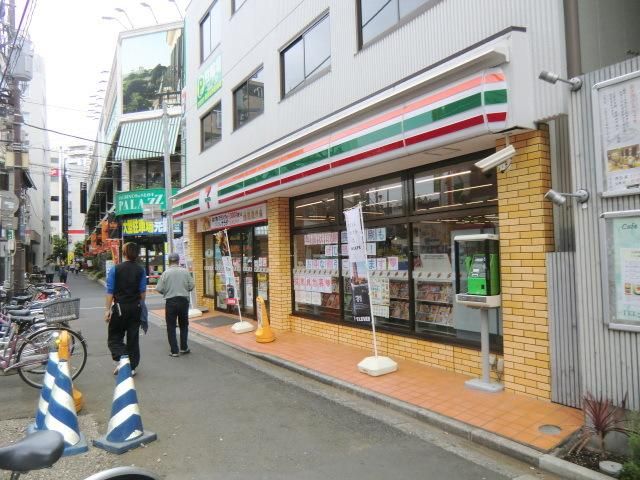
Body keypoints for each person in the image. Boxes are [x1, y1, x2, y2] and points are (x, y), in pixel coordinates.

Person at [105, 242, 147, 376]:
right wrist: (140, 305)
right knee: (133, 338)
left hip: (120, 307)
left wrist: (107, 310)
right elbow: (142, 292)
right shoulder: (141, 270)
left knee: (114, 338)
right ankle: (131, 366)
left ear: (124, 253)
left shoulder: (116, 269)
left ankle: (123, 359)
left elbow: (110, 291)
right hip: (136, 307)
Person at [156, 252, 194, 357]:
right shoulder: (185, 272)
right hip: (183, 301)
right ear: (178, 261)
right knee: (184, 325)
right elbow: (191, 286)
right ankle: (184, 347)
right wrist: (185, 289)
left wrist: (166, 292)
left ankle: (174, 351)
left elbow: (159, 288)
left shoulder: (165, 273)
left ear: (169, 261)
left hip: (171, 302)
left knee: (171, 326)